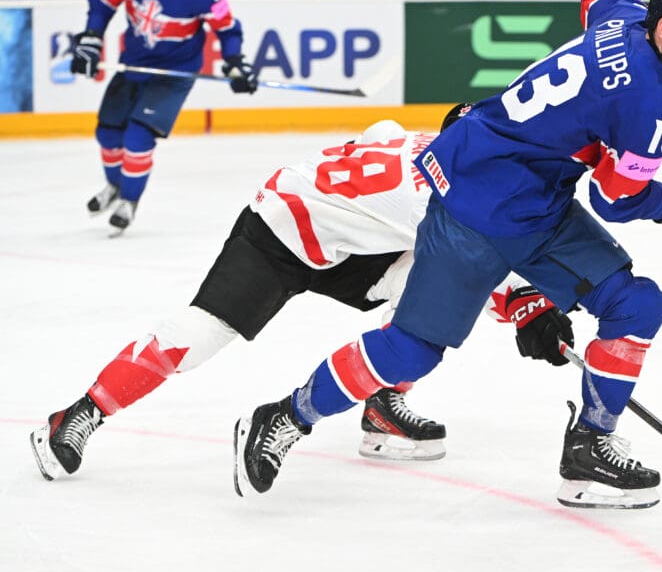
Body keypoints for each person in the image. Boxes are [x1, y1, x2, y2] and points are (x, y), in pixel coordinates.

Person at [233, 0, 662, 509]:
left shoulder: (622, 17)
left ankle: (589, 451)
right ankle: (284, 417)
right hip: (473, 207)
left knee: (636, 305)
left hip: (528, 196)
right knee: (412, 351)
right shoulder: (651, 103)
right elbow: (617, 200)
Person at [30, 118, 574, 482]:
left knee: (428, 295)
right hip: (279, 230)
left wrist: (527, 301)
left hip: (351, 241)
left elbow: (381, 132)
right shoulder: (440, 195)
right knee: (199, 336)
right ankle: (78, 415)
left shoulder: (432, 146)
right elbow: (478, 265)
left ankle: (381, 405)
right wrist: (527, 305)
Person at [70, 0, 258, 235]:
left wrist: (235, 61)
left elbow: (227, 28)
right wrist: (91, 38)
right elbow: (101, 1)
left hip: (174, 73)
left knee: (138, 135)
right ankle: (115, 186)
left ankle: (129, 200)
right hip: (134, 64)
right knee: (108, 131)